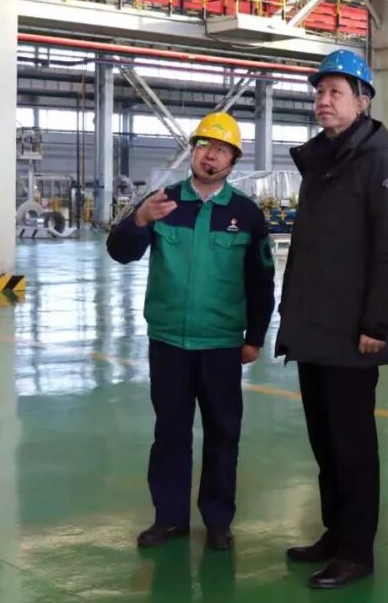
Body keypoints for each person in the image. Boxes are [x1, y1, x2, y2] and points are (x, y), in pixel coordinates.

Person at [275, 50, 388, 590]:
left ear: (363, 100)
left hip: (353, 333)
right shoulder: (323, 160)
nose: (323, 100)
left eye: (335, 91)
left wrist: (376, 324)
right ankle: (335, 533)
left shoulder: (381, 162)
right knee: (325, 441)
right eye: (319, 91)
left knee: (352, 446)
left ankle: (357, 551)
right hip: (314, 327)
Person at [106, 112, 275, 552]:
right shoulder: (162, 202)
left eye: (220, 150)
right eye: (203, 146)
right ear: (193, 152)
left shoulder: (245, 214)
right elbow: (120, 252)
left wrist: (255, 336)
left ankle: (218, 521)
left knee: (223, 433)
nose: (210, 155)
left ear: (233, 161)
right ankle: (169, 519)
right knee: (170, 433)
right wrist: (139, 219)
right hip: (169, 343)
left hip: (221, 344)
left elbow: (261, 279)